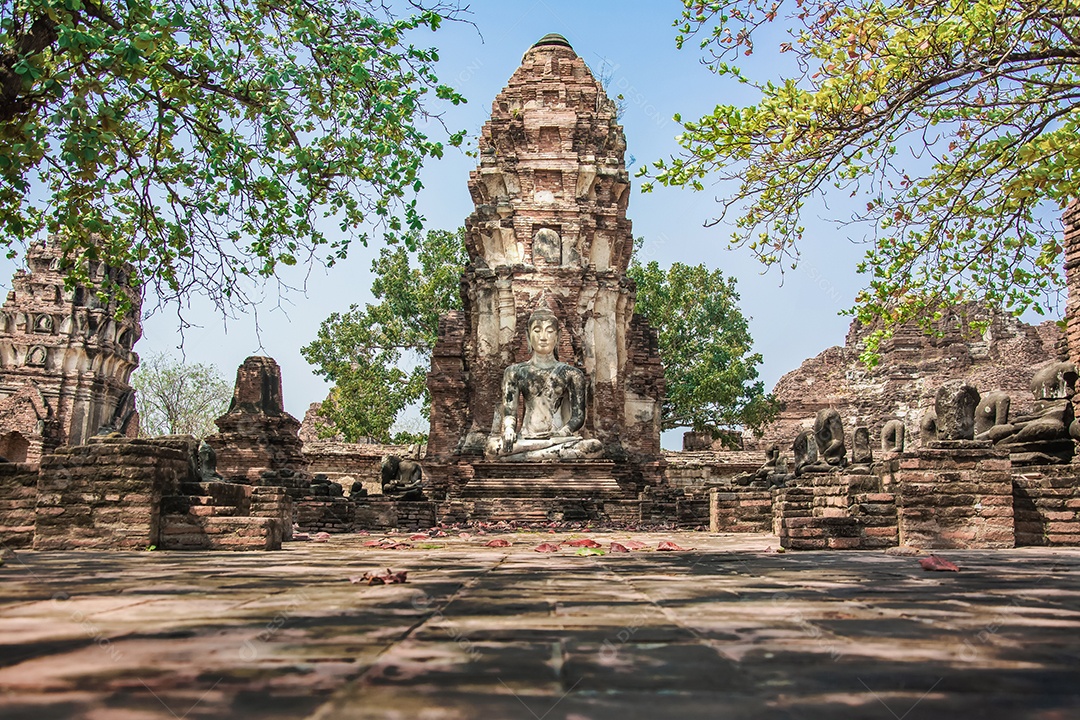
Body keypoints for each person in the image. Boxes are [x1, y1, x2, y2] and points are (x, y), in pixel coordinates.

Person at [485, 307, 602, 461]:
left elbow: (578, 417)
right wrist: (508, 430)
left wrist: (562, 433)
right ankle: (540, 453)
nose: (543, 337)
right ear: (528, 335)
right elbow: (510, 413)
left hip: (558, 438)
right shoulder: (514, 372)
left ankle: (528, 456)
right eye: (537, 330)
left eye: (549, 331)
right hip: (526, 439)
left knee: (594, 447)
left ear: (558, 336)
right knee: (492, 448)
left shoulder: (572, 374)